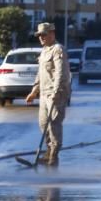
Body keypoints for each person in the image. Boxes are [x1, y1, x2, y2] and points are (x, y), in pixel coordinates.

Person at [24, 21, 71, 166]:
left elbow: (61, 73)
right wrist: (34, 92)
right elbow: (40, 74)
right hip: (44, 93)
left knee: (54, 124)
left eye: (44, 35)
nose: (41, 38)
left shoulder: (58, 49)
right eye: (39, 35)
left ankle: (54, 155)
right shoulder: (44, 51)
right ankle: (48, 150)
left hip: (55, 92)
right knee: (43, 123)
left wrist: (56, 91)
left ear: (52, 34)